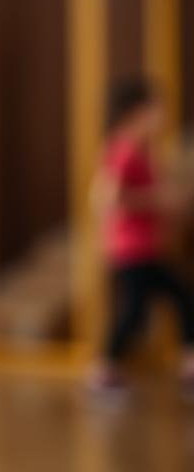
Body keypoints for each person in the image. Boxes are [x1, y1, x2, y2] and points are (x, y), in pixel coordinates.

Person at [86, 75, 194, 399]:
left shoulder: (143, 152)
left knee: (171, 302)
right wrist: (157, 200)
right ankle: (102, 369)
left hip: (145, 248)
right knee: (140, 311)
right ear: (136, 112)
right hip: (131, 249)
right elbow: (106, 198)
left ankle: (186, 365)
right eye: (156, 110)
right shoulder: (124, 150)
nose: (162, 118)